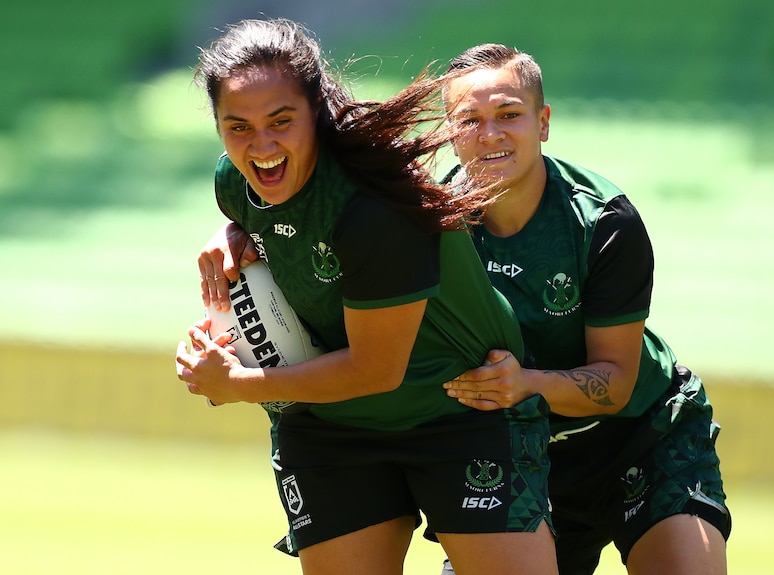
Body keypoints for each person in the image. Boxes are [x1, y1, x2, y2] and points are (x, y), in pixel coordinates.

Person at [174, 20, 558, 575]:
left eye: (281, 122)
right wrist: (234, 239)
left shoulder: (371, 209)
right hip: (333, 426)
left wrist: (235, 385)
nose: (261, 147)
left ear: (318, 116)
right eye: (238, 127)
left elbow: (376, 369)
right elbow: (271, 228)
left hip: (460, 409)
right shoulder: (237, 185)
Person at [436, 44, 731, 575]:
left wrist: (523, 382)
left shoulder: (604, 221)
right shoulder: (427, 228)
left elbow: (615, 382)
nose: (491, 133)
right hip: (514, 453)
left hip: (640, 437)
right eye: (470, 120)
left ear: (543, 122)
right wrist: (241, 234)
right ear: (448, 133)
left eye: (509, 114)